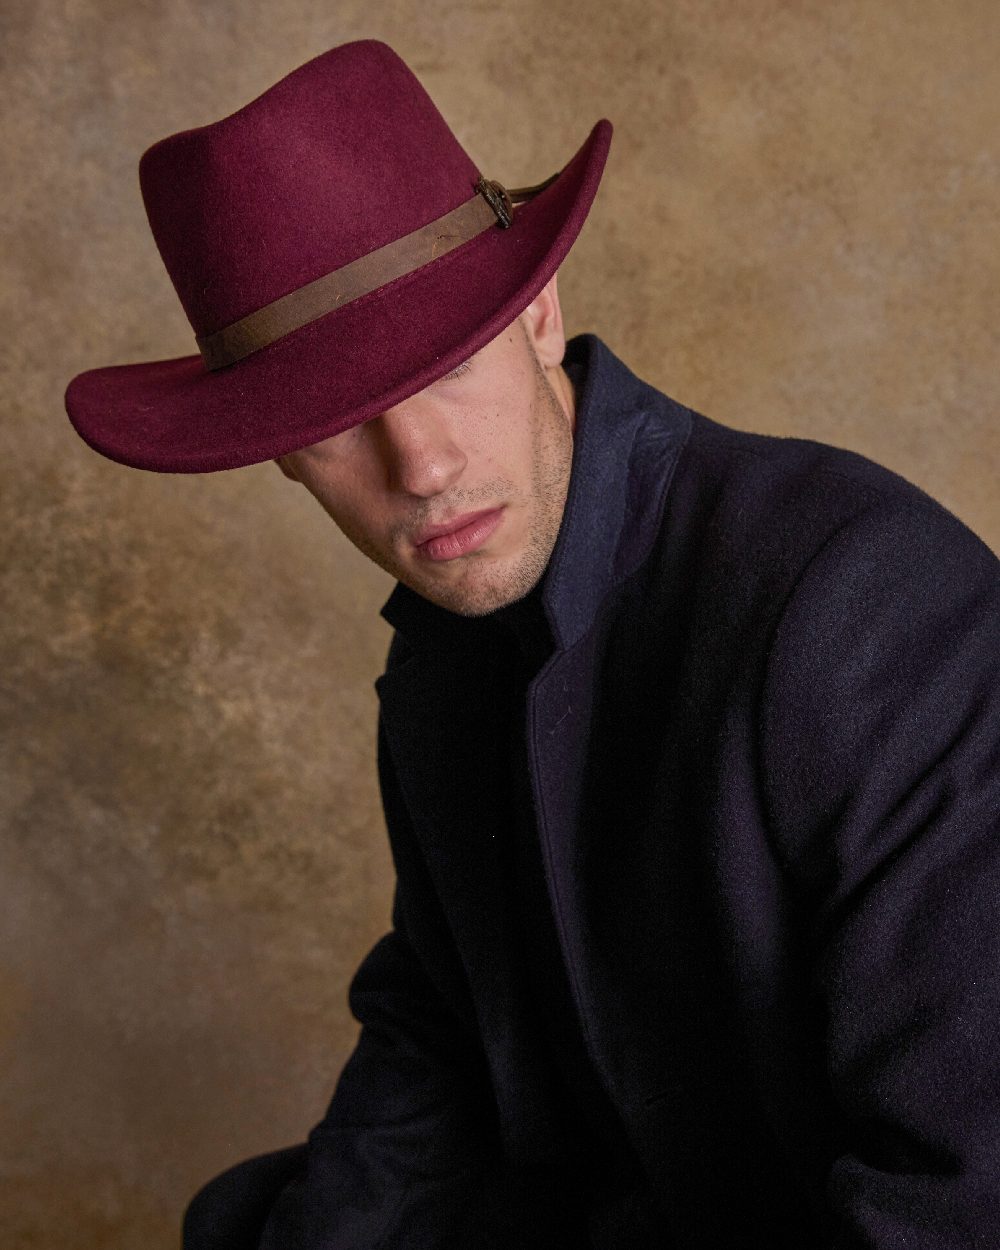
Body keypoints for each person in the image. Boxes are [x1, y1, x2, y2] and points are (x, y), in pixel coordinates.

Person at [64, 38, 1000, 1250]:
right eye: (340, 420)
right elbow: (446, 1023)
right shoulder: (443, 658)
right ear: (281, 452)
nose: (425, 468)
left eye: (447, 366)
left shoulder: (862, 601)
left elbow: (967, 1190)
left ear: (539, 313)